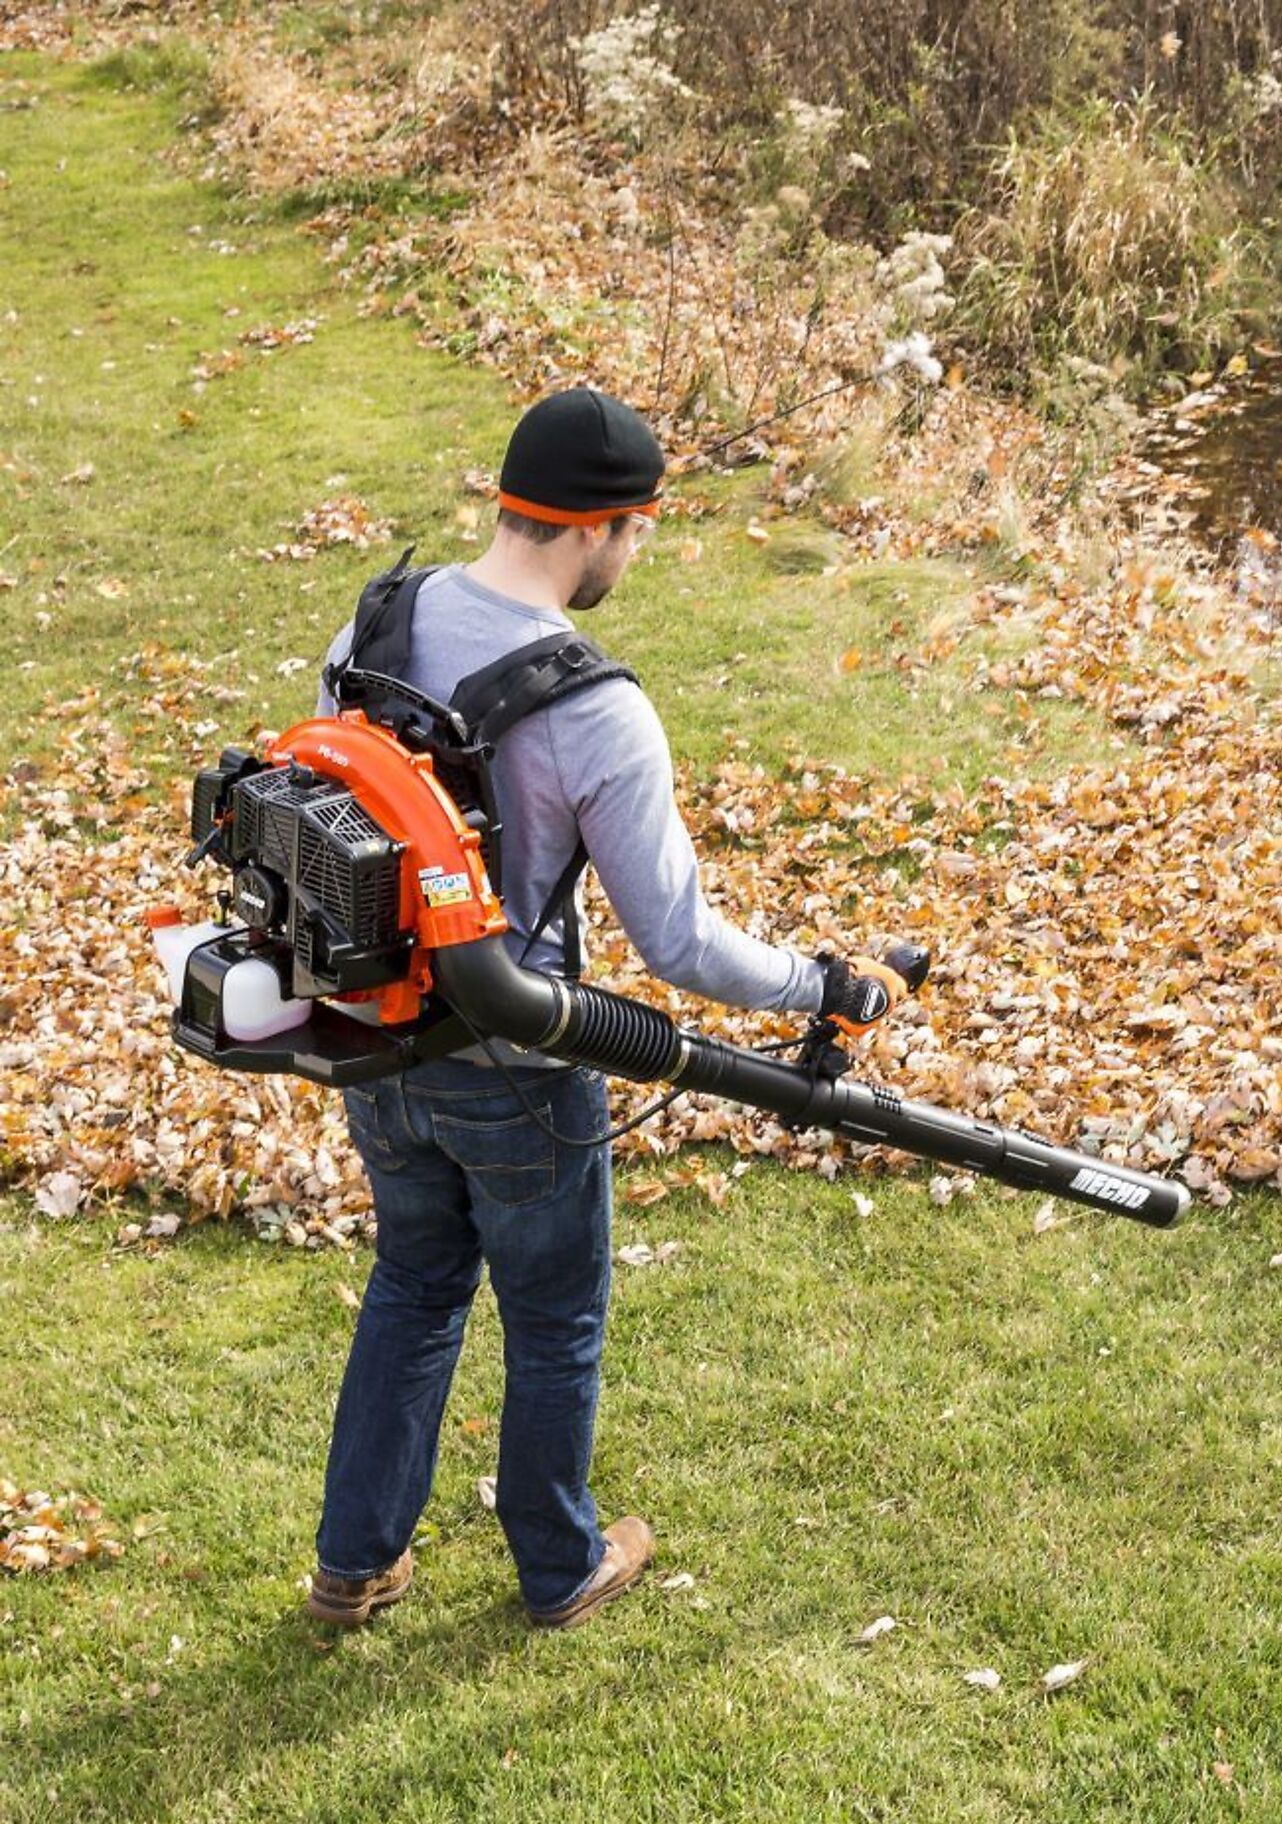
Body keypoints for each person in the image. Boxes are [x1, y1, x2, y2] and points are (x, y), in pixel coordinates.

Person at [305, 386, 878, 1631]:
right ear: (598, 529)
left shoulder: (379, 617)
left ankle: (353, 1562)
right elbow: (680, 943)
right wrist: (819, 982)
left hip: (377, 1034)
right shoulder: (593, 706)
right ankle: (560, 1564)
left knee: (416, 1275)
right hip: (518, 1057)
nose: (640, 552)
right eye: (641, 531)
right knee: (555, 1310)